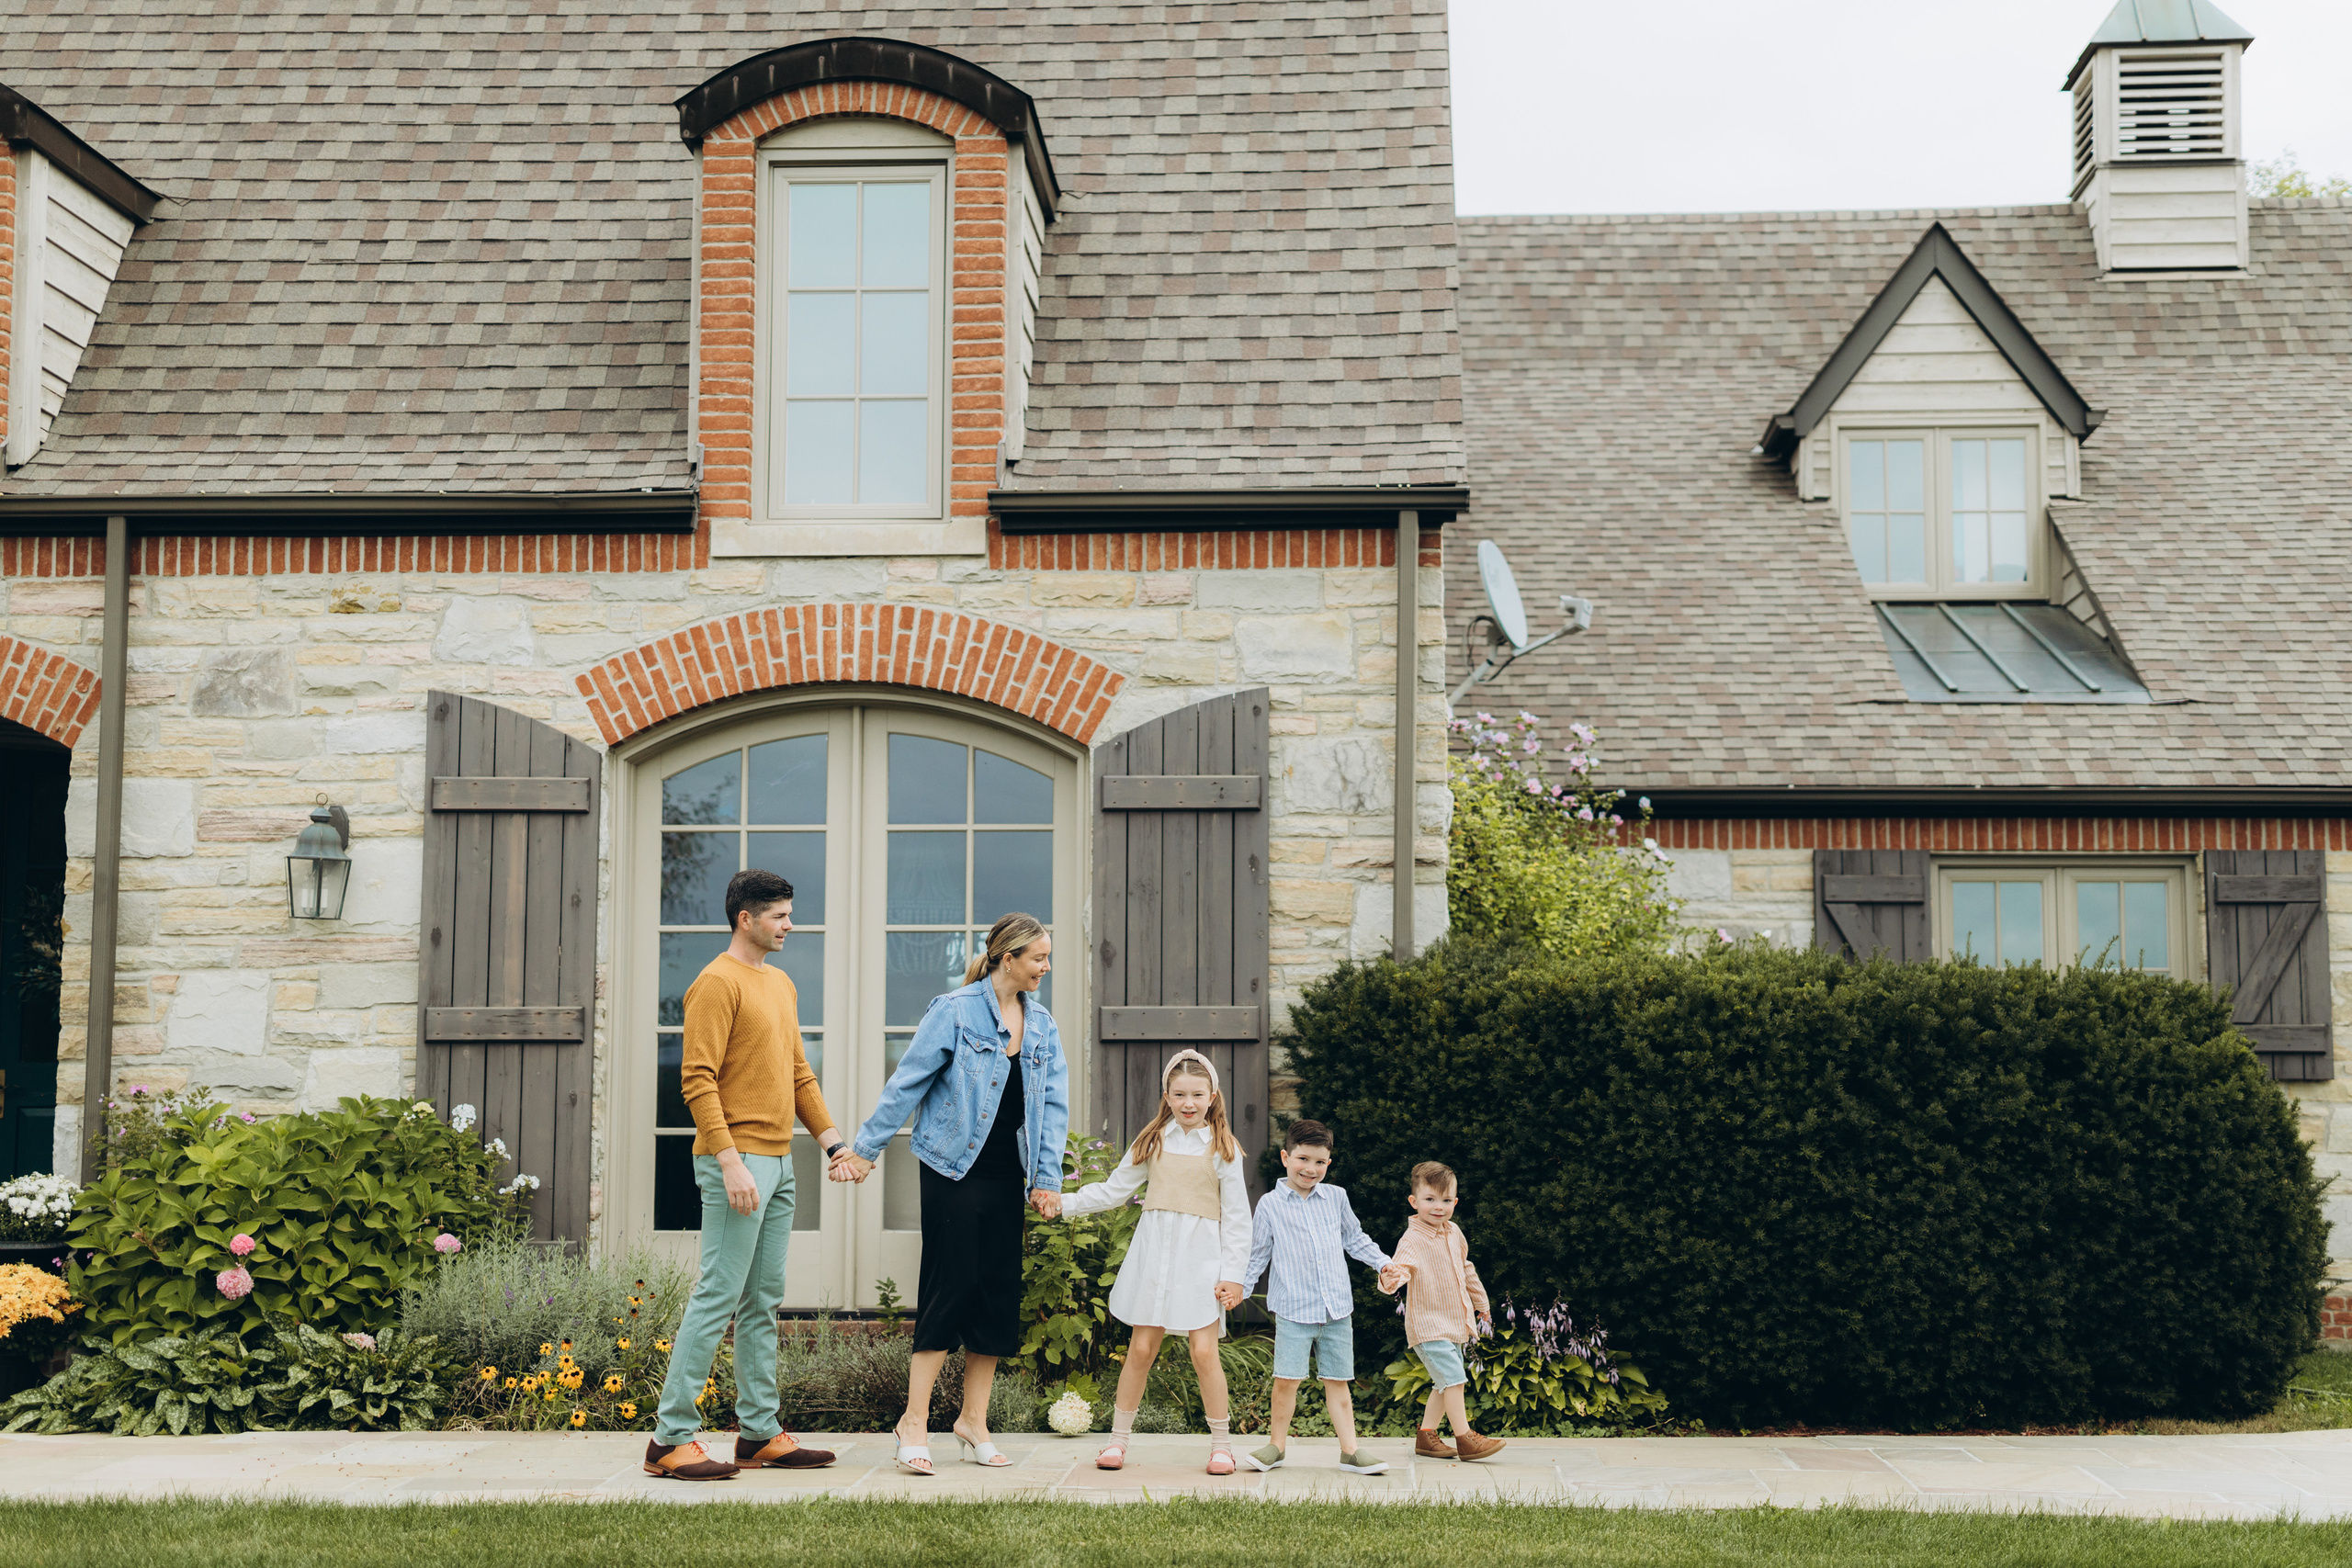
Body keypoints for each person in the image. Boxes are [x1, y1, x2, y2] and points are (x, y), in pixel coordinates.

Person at [834, 911, 1068, 1475]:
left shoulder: (1042, 1027)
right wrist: (865, 1149)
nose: (1045, 967)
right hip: (952, 1170)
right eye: (1038, 957)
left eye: (1048, 957)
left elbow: (1052, 1107)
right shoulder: (956, 1011)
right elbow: (907, 1082)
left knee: (993, 1295)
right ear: (1007, 957)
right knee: (950, 1287)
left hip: (1006, 1177)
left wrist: (1047, 1179)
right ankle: (913, 1422)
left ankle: (973, 1422)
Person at [644, 868, 852, 1482]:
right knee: (717, 1295)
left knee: (763, 1298)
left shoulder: (780, 984)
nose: (791, 924)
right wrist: (730, 1160)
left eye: (790, 913)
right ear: (747, 918)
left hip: (780, 1159)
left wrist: (832, 1142)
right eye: (781, 915)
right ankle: (668, 1440)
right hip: (735, 1159)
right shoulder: (715, 983)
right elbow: (697, 1080)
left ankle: (759, 1431)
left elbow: (798, 1075)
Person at [1057, 1049, 1252, 1475]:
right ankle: (1117, 1442)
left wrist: (1234, 1276)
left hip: (1201, 1261)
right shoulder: (1152, 1141)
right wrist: (1062, 1203)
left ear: (1213, 1096)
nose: (1188, 1103)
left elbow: (1239, 1218)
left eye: (1197, 1095)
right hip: (1155, 1256)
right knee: (1141, 1349)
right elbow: (1112, 1192)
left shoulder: (1224, 1149)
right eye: (1179, 1094)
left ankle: (1222, 1447)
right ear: (1166, 1095)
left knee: (1204, 1352)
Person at [1238, 1118, 1407, 1474]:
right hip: (1293, 1311)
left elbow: (1355, 1238)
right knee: (1286, 1381)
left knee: (1338, 1382)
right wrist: (1242, 1288)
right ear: (1285, 1157)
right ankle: (1276, 1446)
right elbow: (1258, 1254)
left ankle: (1350, 1451)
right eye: (1302, 1159)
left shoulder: (1337, 1197)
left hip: (1336, 1310)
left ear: (1328, 1163)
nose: (1310, 1169)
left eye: (1319, 1162)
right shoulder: (1269, 1205)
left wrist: (1383, 1263)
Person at [1378, 1160, 1507, 1461]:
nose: (1439, 1207)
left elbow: (1466, 1268)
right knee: (1454, 1379)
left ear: (1455, 1202)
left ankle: (1426, 1437)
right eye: (1430, 1199)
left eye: (1446, 1200)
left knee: (1443, 1381)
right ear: (1414, 1201)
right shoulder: (1412, 1239)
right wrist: (1390, 1279)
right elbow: (1401, 1269)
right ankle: (1466, 1439)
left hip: (1452, 1322)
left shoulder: (1454, 1233)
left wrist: (1482, 1303)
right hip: (1427, 1325)